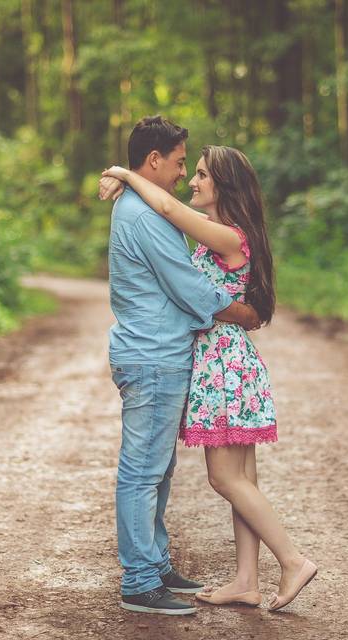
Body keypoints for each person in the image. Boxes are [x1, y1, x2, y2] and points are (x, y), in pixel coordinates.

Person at [99, 143, 318, 612]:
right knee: (244, 481)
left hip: (222, 363)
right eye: (189, 171)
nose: (191, 181)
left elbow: (164, 205)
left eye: (199, 174)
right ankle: (246, 581)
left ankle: (293, 559)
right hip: (233, 361)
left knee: (224, 479)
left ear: (224, 185)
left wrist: (122, 172)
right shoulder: (226, 236)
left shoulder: (226, 236)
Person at [106, 116, 262, 616]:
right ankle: (140, 581)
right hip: (152, 355)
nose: (180, 174)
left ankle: (154, 564)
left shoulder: (144, 208)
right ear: (154, 160)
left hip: (161, 353)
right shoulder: (143, 215)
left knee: (158, 467)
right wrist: (244, 313)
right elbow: (189, 287)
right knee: (143, 470)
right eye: (177, 164)